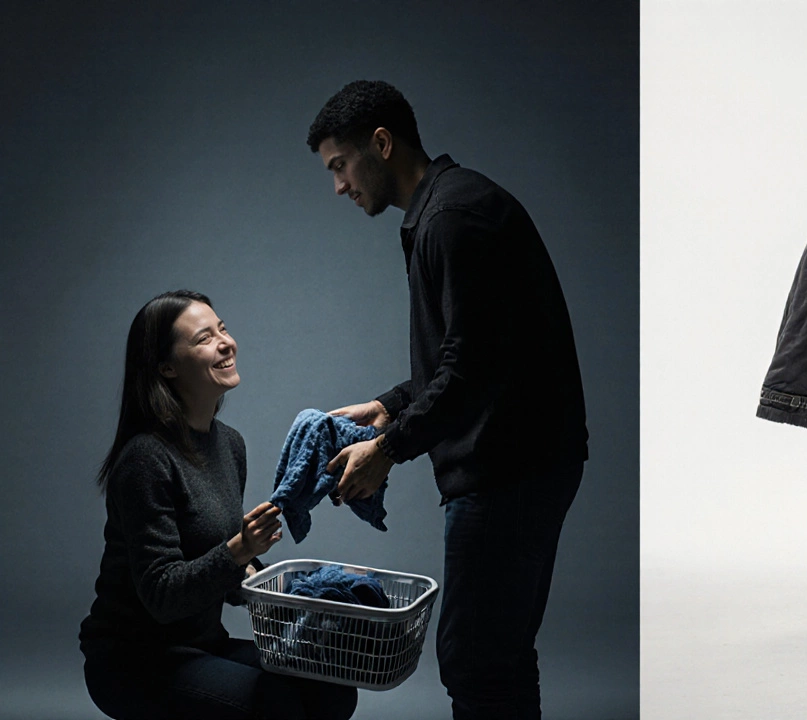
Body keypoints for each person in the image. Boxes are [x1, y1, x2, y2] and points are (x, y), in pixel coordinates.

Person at [306, 80, 589, 719]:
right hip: (520, 465)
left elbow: (471, 368)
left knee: (476, 659)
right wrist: (388, 406)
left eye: (340, 166)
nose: (339, 186)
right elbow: (471, 353)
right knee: (498, 655)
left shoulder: (454, 218)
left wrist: (388, 448)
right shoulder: (449, 210)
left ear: (380, 144)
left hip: (509, 471)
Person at [79, 290, 359, 719]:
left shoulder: (229, 444)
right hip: (135, 660)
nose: (225, 343)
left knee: (332, 690)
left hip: (203, 646)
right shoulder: (145, 458)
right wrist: (239, 550)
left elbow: (224, 572)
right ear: (167, 367)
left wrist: (314, 592)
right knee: (273, 703)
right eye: (204, 338)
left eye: (223, 329)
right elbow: (162, 595)